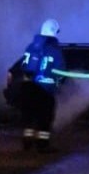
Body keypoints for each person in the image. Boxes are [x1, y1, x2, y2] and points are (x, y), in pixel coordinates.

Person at [15, 18, 65, 151]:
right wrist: (58, 83)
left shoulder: (31, 47)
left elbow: (23, 65)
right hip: (45, 90)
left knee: (29, 116)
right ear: (54, 31)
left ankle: (27, 143)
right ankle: (42, 145)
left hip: (27, 87)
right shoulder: (54, 50)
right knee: (45, 117)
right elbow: (60, 69)